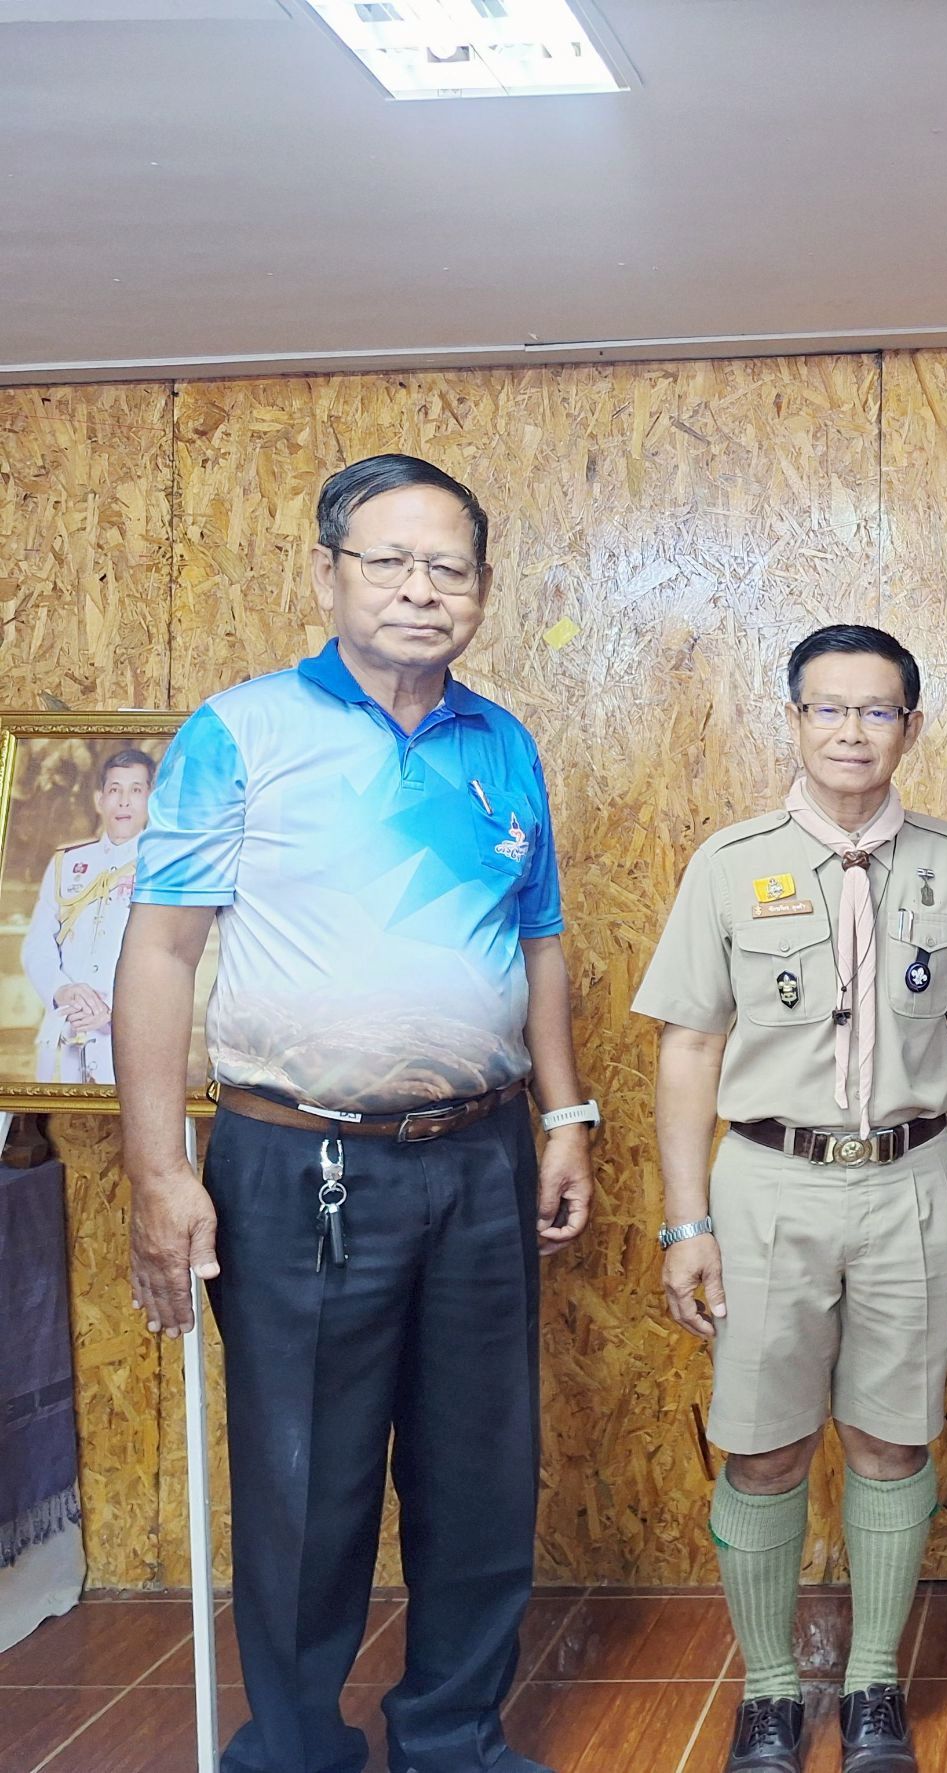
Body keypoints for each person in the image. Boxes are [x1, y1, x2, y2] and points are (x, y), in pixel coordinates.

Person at [116, 454, 598, 1773]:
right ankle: (297, 1748)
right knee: (305, 1486)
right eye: (388, 561)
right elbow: (158, 956)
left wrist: (566, 1119)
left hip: (482, 1160)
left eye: (449, 567)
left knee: (481, 1475)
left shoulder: (503, 744)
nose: (420, 590)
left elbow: (538, 944)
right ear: (326, 572)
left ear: (484, 591)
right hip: (299, 1165)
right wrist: (159, 1172)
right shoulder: (243, 731)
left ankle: (450, 1735)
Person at [635, 623, 947, 1773]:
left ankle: (871, 1686)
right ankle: (769, 1690)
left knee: (891, 1440)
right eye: (829, 708)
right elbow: (688, 1049)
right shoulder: (729, 861)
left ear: (912, 726)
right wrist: (686, 1222)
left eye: (877, 711)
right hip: (764, 1185)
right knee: (759, 1448)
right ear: (795, 718)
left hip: (913, 1178)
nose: (852, 731)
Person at [23, 747, 152, 1083]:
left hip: (129, 1039)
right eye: (114, 790)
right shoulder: (67, 863)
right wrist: (62, 991)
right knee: (51, 1130)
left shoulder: (163, 868)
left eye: (136, 790)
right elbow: (37, 944)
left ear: (152, 800)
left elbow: (168, 959)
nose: (124, 801)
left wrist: (112, 1014)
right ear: (99, 799)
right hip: (65, 1029)